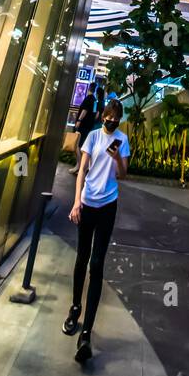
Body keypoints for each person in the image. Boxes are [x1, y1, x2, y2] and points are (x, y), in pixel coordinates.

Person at [63, 98, 130, 362]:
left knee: (97, 264)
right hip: (88, 204)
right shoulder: (92, 136)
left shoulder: (122, 140)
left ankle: (87, 333)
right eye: (108, 117)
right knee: (81, 258)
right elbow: (82, 170)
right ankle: (75, 308)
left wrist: (117, 160)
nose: (111, 121)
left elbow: (124, 175)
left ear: (119, 119)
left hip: (108, 206)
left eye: (116, 118)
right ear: (103, 116)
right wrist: (76, 201)